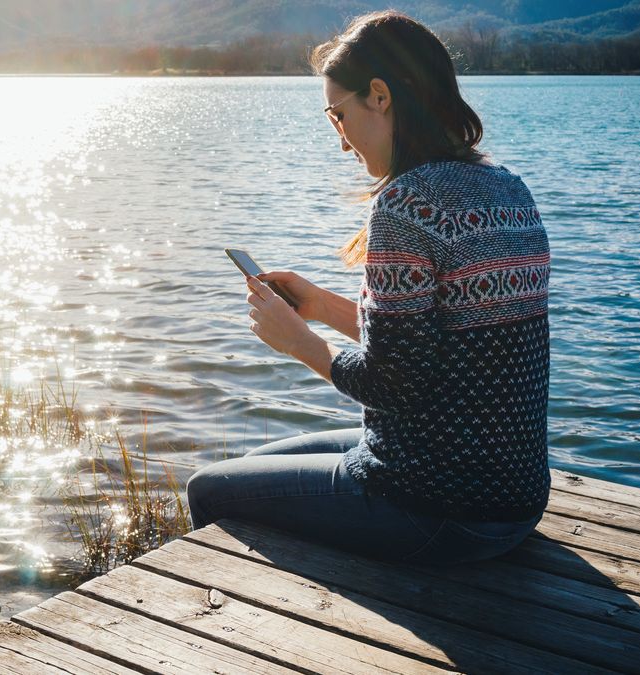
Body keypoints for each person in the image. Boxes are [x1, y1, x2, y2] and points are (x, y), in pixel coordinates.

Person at [185, 10, 551, 565]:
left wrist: (298, 342)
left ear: (379, 95)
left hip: (437, 508)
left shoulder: (406, 205)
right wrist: (321, 306)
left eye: (338, 116)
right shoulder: (507, 188)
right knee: (258, 466)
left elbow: (392, 384)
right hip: (515, 502)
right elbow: (444, 347)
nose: (341, 141)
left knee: (208, 489)